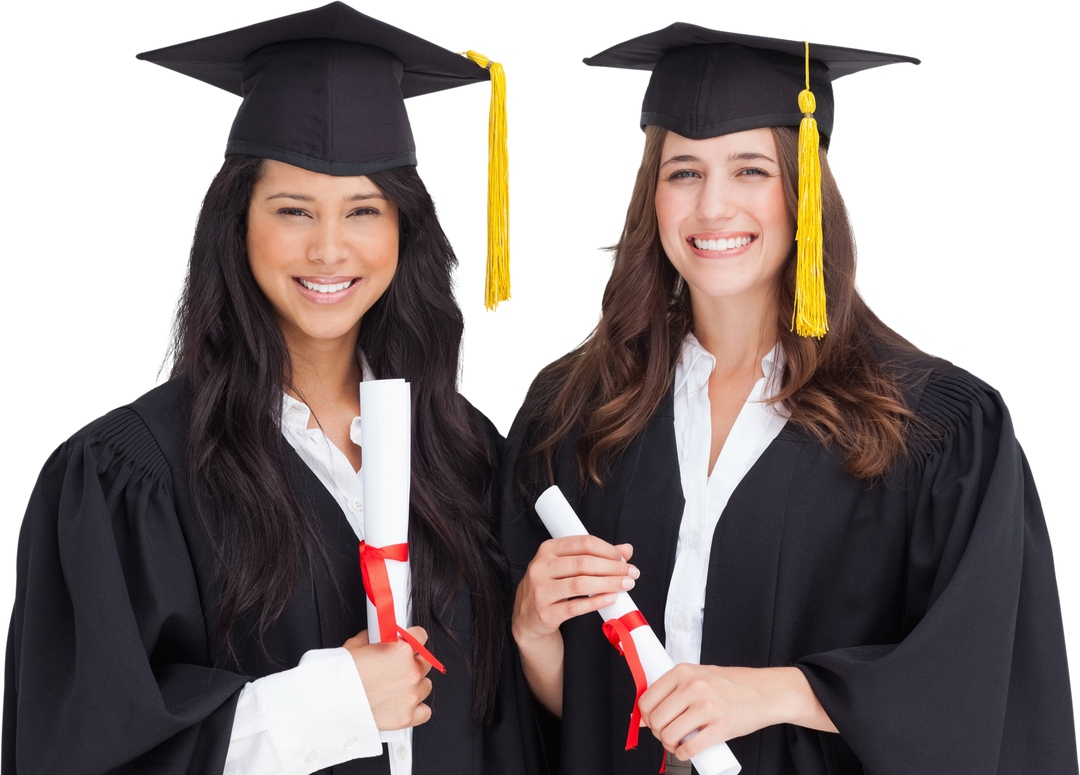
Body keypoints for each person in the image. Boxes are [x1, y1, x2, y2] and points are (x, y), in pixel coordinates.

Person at [502, 21, 1075, 775]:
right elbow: (560, 726)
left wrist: (779, 693)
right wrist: (535, 633)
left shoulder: (936, 426)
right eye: (683, 172)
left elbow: (980, 686)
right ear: (650, 196)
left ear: (806, 190)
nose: (712, 208)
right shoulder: (573, 412)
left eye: (750, 170)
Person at [3, 3, 539, 774]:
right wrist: (330, 703)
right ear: (238, 226)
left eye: (363, 210)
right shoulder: (129, 476)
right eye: (292, 211)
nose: (329, 248)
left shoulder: (465, 452)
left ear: (402, 232)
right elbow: (82, 746)